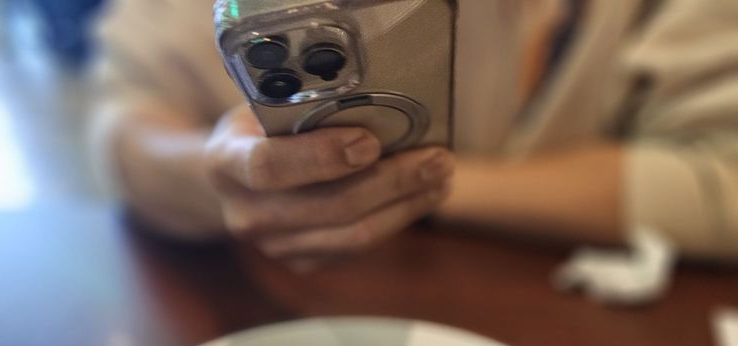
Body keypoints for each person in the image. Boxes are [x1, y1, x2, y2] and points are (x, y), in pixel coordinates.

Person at [90, 0, 738, 266]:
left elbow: (723, 183)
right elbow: (124, 119)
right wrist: (214, 175)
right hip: (275, 317)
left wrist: (430, 187)